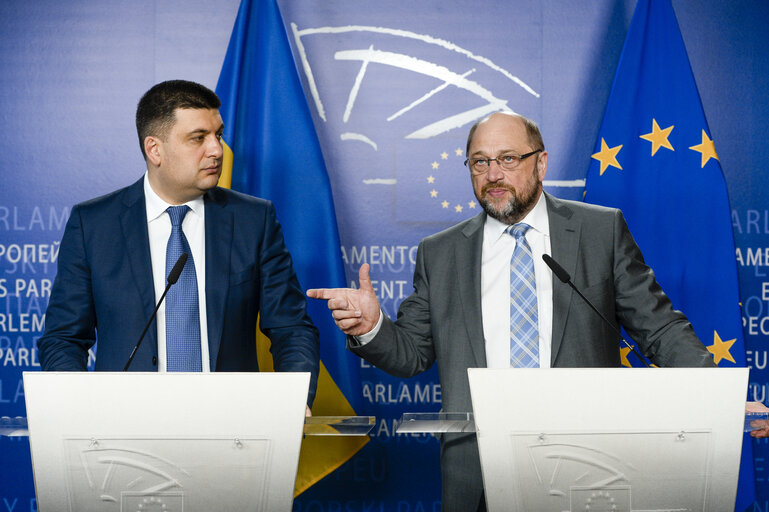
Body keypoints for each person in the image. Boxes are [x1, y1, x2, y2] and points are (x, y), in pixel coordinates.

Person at [307, 112, 715, 511]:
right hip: (479, 469)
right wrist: (372, 326)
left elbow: (659, 328)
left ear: (541, 163)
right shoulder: (440, 253)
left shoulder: (599, 231)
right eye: (480, 162)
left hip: (588, 462)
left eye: (508, 158)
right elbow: (412, 352)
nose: (493, 174)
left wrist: (718, 397)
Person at [38, 79, 320, 407]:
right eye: (198, 138)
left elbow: (291, 328)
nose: (216, 150)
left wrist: (296, 401)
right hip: (126, 428)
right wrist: (77, 409)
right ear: (155, 149)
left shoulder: (253, 220)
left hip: (234, 429)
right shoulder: (94, 224)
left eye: (218, 135)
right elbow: (63, 339)